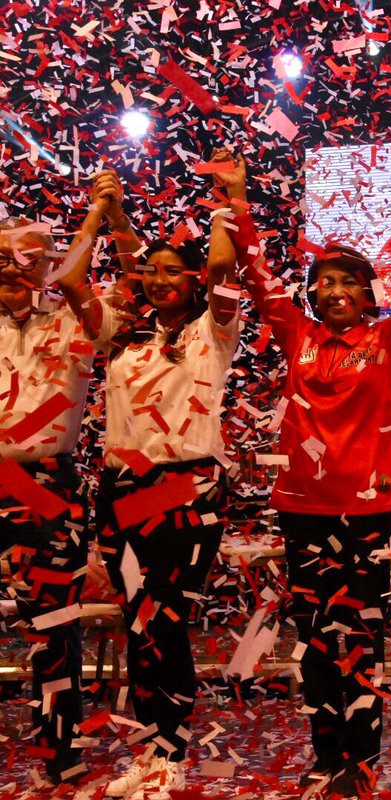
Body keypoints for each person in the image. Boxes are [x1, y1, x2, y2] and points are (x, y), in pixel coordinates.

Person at [224, 155, 391, 797]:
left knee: (362, 638)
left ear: (367, 291)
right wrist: (239, 200)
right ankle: (325, 757)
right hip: (302, 509)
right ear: (314, 292)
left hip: (368, 512)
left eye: (349, 280)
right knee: (316, 641)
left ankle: (363, 757)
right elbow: (258, 274)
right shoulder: (297, 334)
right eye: (324, 281)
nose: (335, 290)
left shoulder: (387, 339)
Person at [61, 159, 241, 799]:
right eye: (150, 269)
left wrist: (232, 198)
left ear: (193, 281)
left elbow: (223, 268)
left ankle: (171, 748)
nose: (159, 279)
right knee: (138, 617)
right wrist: (102, 215)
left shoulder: (210, 333)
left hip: (186, 485)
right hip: (123, 487)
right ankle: (149, 750)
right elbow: (71, 281)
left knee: (163, 617)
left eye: (174, 270)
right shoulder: (121, 333)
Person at [0, 211, 119, 788]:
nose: (8, 269)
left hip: (45, 482)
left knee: (54, 624)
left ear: (50, 264)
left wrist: (97, 220)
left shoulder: (77, 321)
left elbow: (87, 280)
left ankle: (58, 750)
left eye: (24, 259)